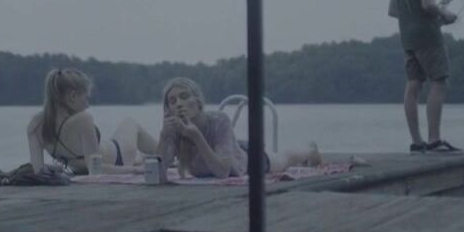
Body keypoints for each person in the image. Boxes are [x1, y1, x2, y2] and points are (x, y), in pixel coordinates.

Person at [388, 0, 462, 154]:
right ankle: (434, 140)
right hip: (428, 36)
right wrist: (444, 14)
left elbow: (393, 10)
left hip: (407, 38)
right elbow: (428, 3)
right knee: (439, 81)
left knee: (413, 84)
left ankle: (417, 141)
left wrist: (415, 16)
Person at [157, 77, 320, 179]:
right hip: (228, 146)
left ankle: (310, 151)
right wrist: (164, 136)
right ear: (168, 109)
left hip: (246, 162)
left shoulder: (218, 120)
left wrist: (197, 137)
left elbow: (223, 172)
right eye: (172, 101)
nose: (179, 103)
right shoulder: (174, 130)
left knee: (282, 159)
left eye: (184, 96)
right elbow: (158, 172)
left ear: (198, 101)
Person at [27, 68, 158, 175]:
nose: (87, 105)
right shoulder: (83, 119)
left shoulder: (35, 125)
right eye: (86, 98)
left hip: (106, 157)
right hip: (118, 159)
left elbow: (38, 170)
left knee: (140, 156)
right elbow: (96, 169)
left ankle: (144, 157)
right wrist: (135, 170)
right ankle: (164, 155)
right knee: (130, 122)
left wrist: (57, 168)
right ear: (73, 96)